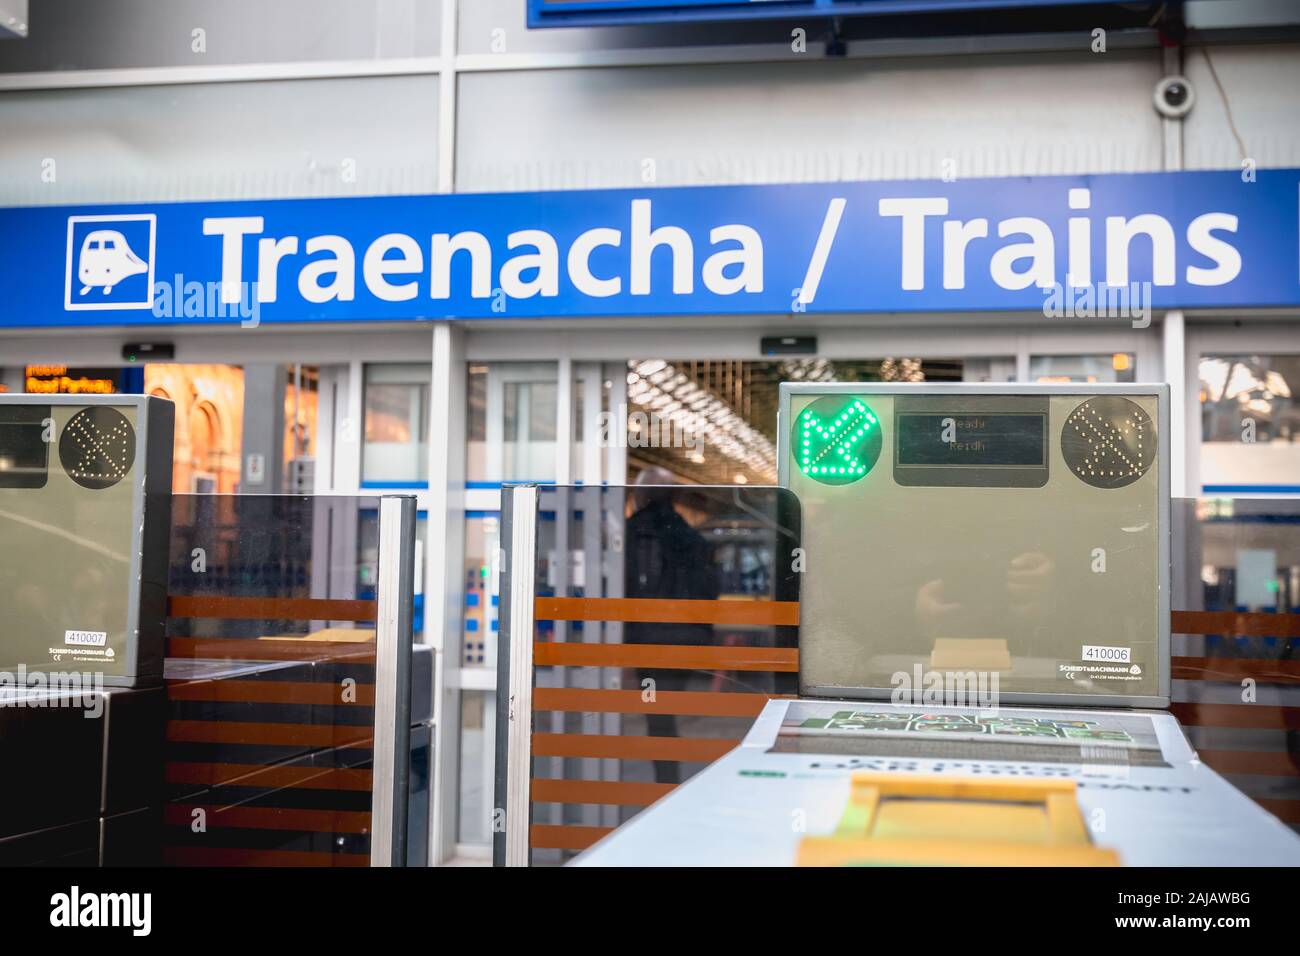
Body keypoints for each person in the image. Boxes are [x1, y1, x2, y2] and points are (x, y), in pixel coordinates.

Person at [624, 467, 719, 785]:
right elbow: (709, 592)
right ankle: (670, 783)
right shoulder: (693, 538)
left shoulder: (632, 535)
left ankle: (666, 784)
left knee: (659, 718)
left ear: (642, 496)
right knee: (664, 714)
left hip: (650, 644)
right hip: (688, 643)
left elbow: (628, 589)